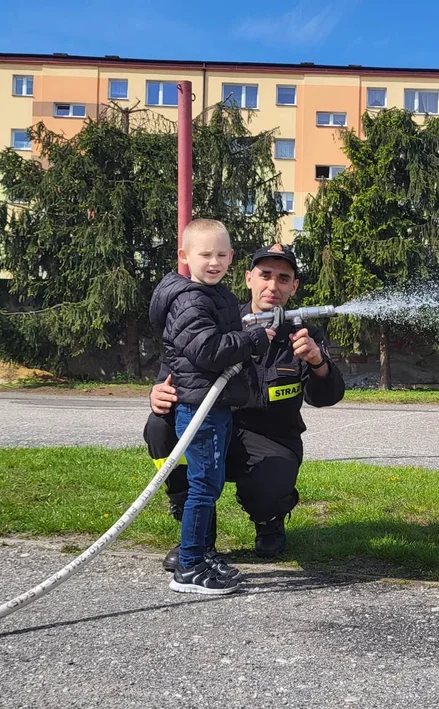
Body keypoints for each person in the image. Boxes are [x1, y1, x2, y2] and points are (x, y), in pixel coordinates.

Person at [144, 243, 345, 569]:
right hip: (216, 428)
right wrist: (158, 391)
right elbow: (179, 364)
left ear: (293, 287)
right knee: (159, 427)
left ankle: (269, 521)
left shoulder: (304, 333)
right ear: (249, 278)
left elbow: (326, 396)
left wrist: (318, 361)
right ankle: (196, 534)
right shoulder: (219, 319)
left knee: (269, 482)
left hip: (272, 439)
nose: (273, 285)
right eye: (265, 275)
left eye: (283, 278)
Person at [150, 219, 272, 595]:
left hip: (214, 404)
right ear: (185, 256)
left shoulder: (211, 293)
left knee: (209, 484)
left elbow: (218, 335)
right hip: (199, 407)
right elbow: (206, 351)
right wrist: (250, 339)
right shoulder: (190, 299)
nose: (214, 261)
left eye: (221, 254)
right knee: (203, 487)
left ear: (232, 257)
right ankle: (189, 566)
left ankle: (202, 555)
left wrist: (247, 331)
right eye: (205, 254)